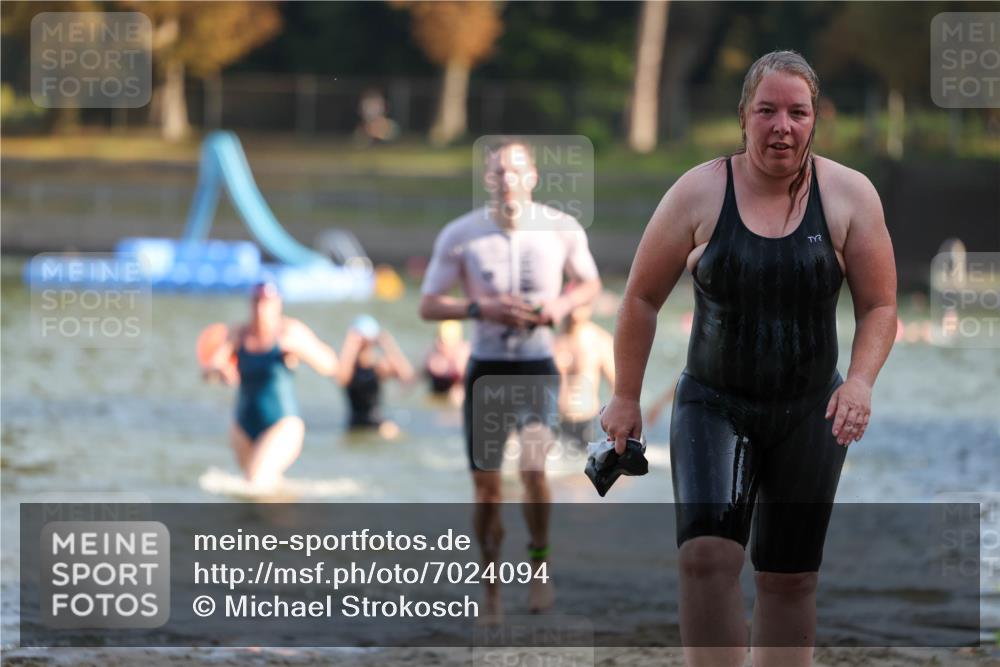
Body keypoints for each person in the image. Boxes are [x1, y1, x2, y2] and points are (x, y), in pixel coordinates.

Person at [600, 51, 897, 667]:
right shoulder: (699, 191)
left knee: (789, 577)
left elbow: (880, 307)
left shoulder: (850, 195)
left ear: (816, 120)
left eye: (797, 112)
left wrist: (862, 382)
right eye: (767, 111)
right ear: (743, 116)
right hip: (715, 404)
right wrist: (626, 396)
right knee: (707, 557)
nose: (781, 126)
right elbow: (640, 298)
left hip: (811, 411)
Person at [419, 140, 602, 617]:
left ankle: (539, 569)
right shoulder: (461, 235)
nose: (508, 180)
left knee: (534, 473)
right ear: (487, 179)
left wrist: (559, 307)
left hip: (538, 368)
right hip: (486, 370)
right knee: (486, 488)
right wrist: (481, 307)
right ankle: (492, 589)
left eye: (517, 170)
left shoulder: (560, 229)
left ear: (533, 176)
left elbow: (589, 282)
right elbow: (428, 303)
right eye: (499, 172)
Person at [204, 280, 340, 486]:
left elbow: (331, 365)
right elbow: (211, 368)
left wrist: (301, 350)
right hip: (243, 425)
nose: (260, 308)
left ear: (278, 304)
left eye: (266, 302)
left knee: (255, 479)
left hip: (282, 424)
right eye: (256, 301)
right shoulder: (239, 334)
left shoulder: (289, 332)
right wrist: (220, 371)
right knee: (257, 488)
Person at [337, 314, 414, 439]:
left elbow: (407, 378)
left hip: (378, 423)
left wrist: (388, 344)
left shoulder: (379, 367)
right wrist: (350, 345)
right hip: (354, 424)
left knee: (390, 431)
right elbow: (341, 379)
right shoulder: (349, 367)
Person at [552, 302, 615, 449]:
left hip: (586, 418)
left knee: (583, 467)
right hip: (556, 419)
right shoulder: (557, 339)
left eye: (581, 305)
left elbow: (615, 383)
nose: (575, 310)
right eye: (573, 305)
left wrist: (613, 421)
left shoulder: (599, 340)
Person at [424, 320, 471, 404]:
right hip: (436, 393)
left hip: (457, 393)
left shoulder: (463, 354)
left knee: (456, 397)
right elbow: (418, 375)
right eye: (439, 340)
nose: (440, 345)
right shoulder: (433, 353)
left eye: (444, 342)